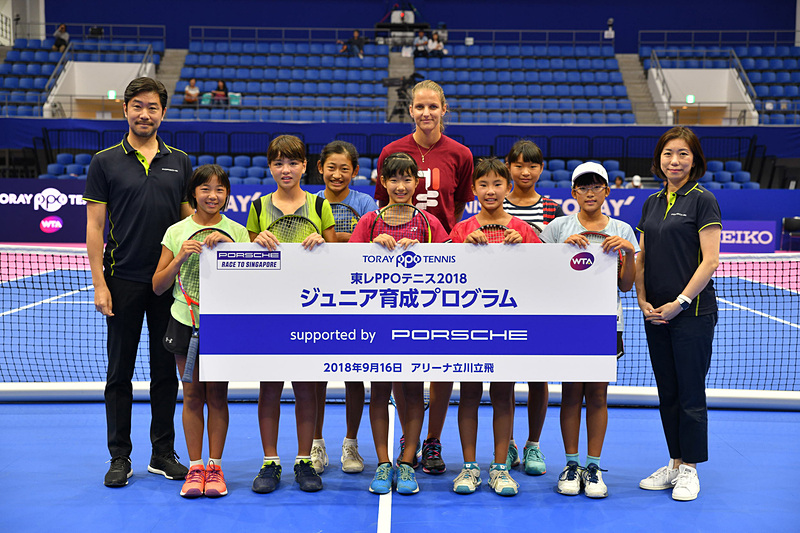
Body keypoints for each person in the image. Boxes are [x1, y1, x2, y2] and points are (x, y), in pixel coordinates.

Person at [84, 77, 193, 488]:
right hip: (123, 280)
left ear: (163, 113)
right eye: (138, 106)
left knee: (166, 371)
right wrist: (99, 283)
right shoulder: (105, 161)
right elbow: (95, 228)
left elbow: (189, 224)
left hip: (167, 284)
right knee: (119, 373)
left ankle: (162, 453)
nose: (145, 114)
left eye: (153, 107)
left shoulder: (180, 161)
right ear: (126, 109)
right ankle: (119, 456)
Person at [374, 79, 474, 476]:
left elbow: (461, 204)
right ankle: (407, 438)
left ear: (444, 109)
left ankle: (431, 439)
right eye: (419, 107)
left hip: (442, 265)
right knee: (401, 357)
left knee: (442, 359)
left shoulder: (461, 154)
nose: (426, 113)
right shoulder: (390, 152)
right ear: (410, 110)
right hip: (397, 271)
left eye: (433, 106)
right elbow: (383, 210)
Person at [350, 152, 449, 495]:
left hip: (417, 324)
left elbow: (451, 265)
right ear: (383, 182)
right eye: (393, 179)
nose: (401, 185)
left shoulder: (428, 222)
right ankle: (382, 463)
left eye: (407, 179)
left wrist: (423, 250)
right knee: (378, 392)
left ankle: (407, 463)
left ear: (416, 182)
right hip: (377, 324)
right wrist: (371, 248)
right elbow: (347, 265)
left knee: (412, 392)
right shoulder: (370, 222)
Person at [539, 162, 638, 499]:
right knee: (570, 393)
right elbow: (539, 276)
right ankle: (570, 464)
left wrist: (628, 253)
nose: (590, 192)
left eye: (597, 186)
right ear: (574, 193)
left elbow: (626, 285)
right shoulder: (557, 228)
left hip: (606, 322)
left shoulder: (623, 230)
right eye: (584, 187)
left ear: (607, 191)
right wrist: (560, 249)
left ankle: (593, 467)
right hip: (567, 322)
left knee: (597, 395)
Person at [152, 165, 249, 498]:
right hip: (184, 320)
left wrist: (230, 247)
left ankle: (215, 467)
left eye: (220, 189)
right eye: (205, 189)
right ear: (193, 192)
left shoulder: (238, 231)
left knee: (217, 396)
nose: (212, 195)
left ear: (227, 194)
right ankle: (195, 468)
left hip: (222, 325)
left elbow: (250, 285)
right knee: (192, 395)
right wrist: (180, 257)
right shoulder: (176, 231)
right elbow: (158, 285)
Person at [246, 135, 336, 494]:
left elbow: (335, 259)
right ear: (270, 167)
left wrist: (324, 244)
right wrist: (254, 244)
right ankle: (270, 461)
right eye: (278, 163)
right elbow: (245, 262)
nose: (286, 169)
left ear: (304, 166)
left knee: (306, 389)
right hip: (270, 312)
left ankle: (303, 460)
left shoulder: (319, 205)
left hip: (308, 313)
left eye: (293, 162)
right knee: (269, 389)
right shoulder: (257, 206)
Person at [636, 126, 721, 502]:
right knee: (667, 392)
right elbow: (642, 257)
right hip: (655, 315)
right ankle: (674, 462)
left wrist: (681, 303)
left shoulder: (704, 200)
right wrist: (641, 300)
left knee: (690, 393)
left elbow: (711, 260)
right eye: (669, 153)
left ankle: (690, 469)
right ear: (659, 159)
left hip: (692, 314)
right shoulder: (651, 202)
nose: (675, 160)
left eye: (683, 154)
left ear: (694, 160)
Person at [449, 158, 540, 497]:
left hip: (508, 328)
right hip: (469, 327)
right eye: (483, 185)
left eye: (497, 184)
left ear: (508, 188)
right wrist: (462, 247)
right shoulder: (461, 229)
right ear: (474, 190)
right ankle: (470, 468)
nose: (490, 191)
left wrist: (525, 247)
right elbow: (444, 276)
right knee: (470, 395)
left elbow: (542, 274)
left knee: (503, 395)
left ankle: (500, 468)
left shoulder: (524, 230)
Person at [310, 140, 378, 475]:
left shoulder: (365, 203)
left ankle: (351, 444)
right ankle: (316, 443)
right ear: (320, 167)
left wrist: (335, 242)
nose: (338, 174)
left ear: (355, 171)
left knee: (355, 375)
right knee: (316, 375)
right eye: (331, 167)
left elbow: (367, 249)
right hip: (318, 298)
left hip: (354, 298)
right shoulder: (311, 202)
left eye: (345, 168)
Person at [502, 139, 564, 476]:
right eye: (519, 165)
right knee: (506, 380)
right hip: (503, 302)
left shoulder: (552, 209)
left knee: (539, 378)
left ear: (541, 169)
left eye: (533, 165)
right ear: (509, 167)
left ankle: (533, 445)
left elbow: (557, 255)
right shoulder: (496, 202)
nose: (525, 172)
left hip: (540, 302)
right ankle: (509, 444)